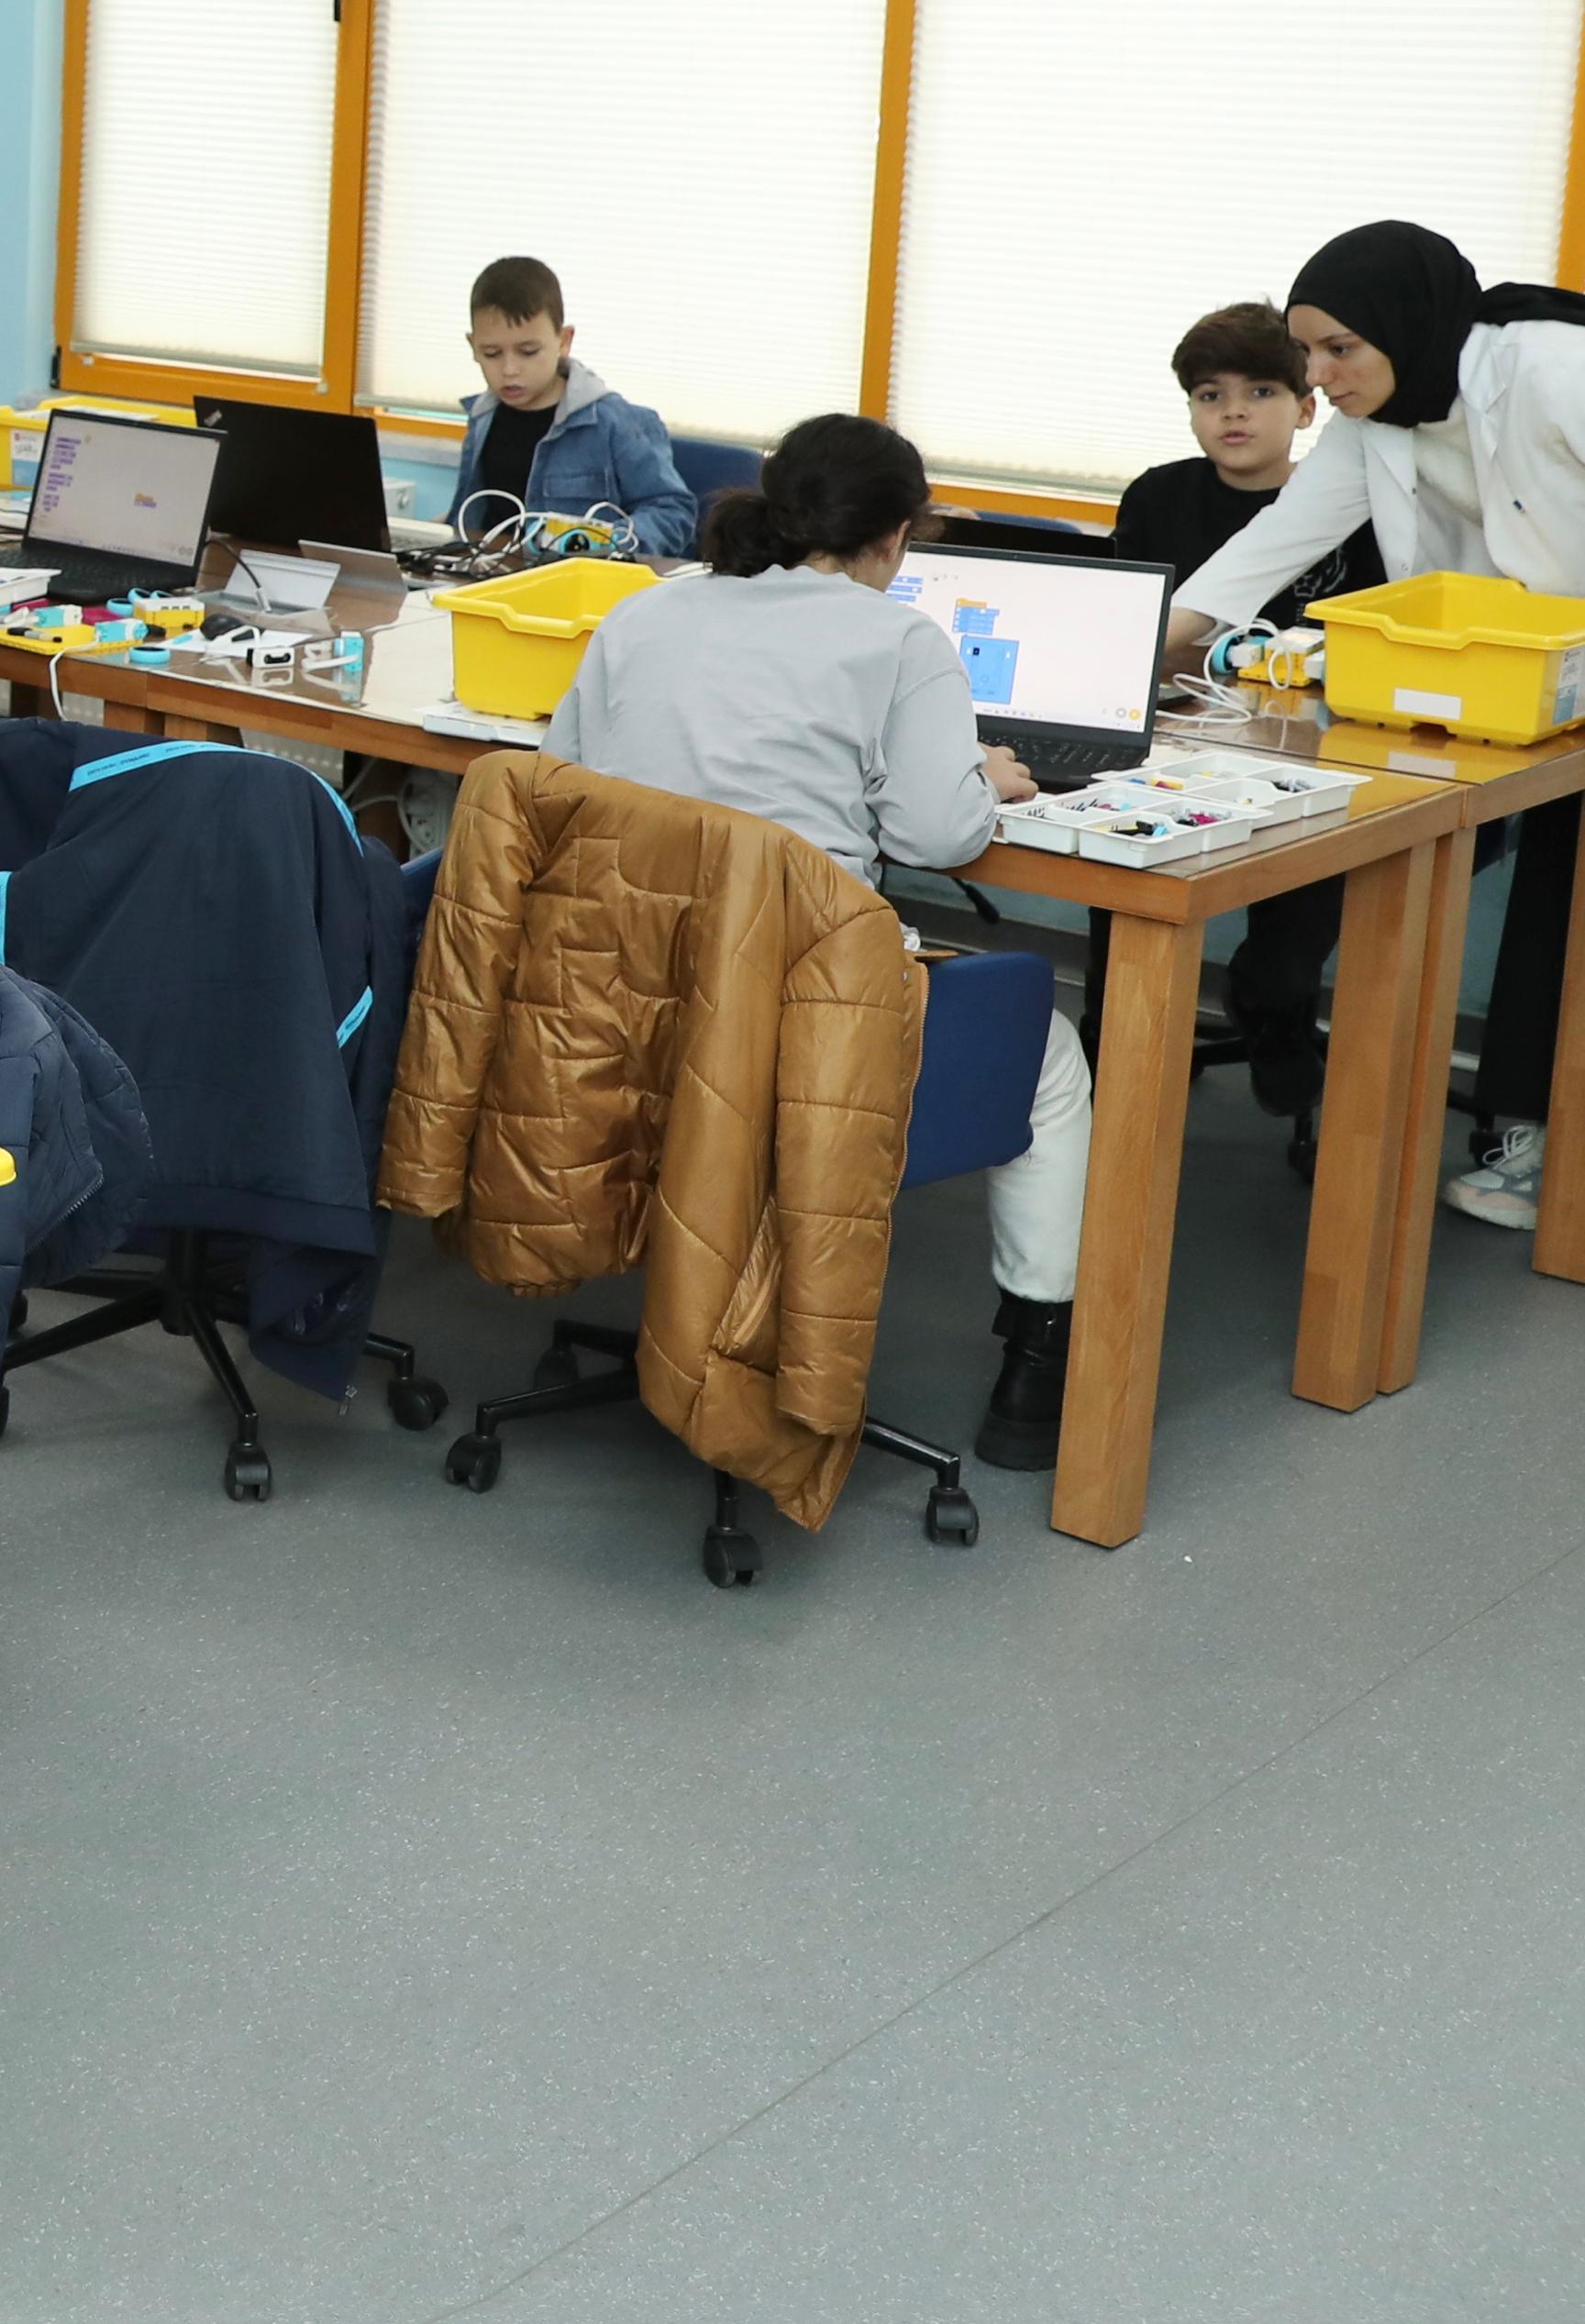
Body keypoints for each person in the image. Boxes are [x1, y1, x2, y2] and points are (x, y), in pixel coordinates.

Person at [545, 416, 1095, 1473]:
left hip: (630, 1000)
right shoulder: (899, 641)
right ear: (895, 537)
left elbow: (564, 779)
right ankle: (1036, 1358)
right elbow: (935, 834)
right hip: (791, 1022)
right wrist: (980, 774)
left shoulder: (644, 608)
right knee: (1050, 1055)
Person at [1164, 226, 1585, 1231]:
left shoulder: (1550, 367)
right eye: (1306, 351)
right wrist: (1140, 653)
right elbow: (1271, 545)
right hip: (1516, 690)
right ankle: (1526, 1137)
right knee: (1546, 909)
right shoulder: (1373, 421)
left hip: (1556, 672)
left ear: (1406, 323)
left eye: (1339, 348)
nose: (1317, 374)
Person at [1109, 304, 1380, 1131]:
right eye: (1209, 395)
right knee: (1116, 862)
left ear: (1308, 407)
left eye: (1261, 392)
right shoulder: (1159, 495)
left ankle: (1274, 1007)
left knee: (1303, 900)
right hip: (1175, 737)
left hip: (1315, 752)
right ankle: (1107, 1044)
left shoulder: (1356, 504)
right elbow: (1130, 629)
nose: (1233, 412)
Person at [449, 257, 700, 563]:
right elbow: (468, 519)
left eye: (528, 351)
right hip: (487, 575)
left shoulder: (616, 422)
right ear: (473, 346)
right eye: (492, 354)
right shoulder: (482, 417)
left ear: (564, 340)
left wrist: (603, 543)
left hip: (578, 582)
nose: (509, 369)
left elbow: (673, 513)